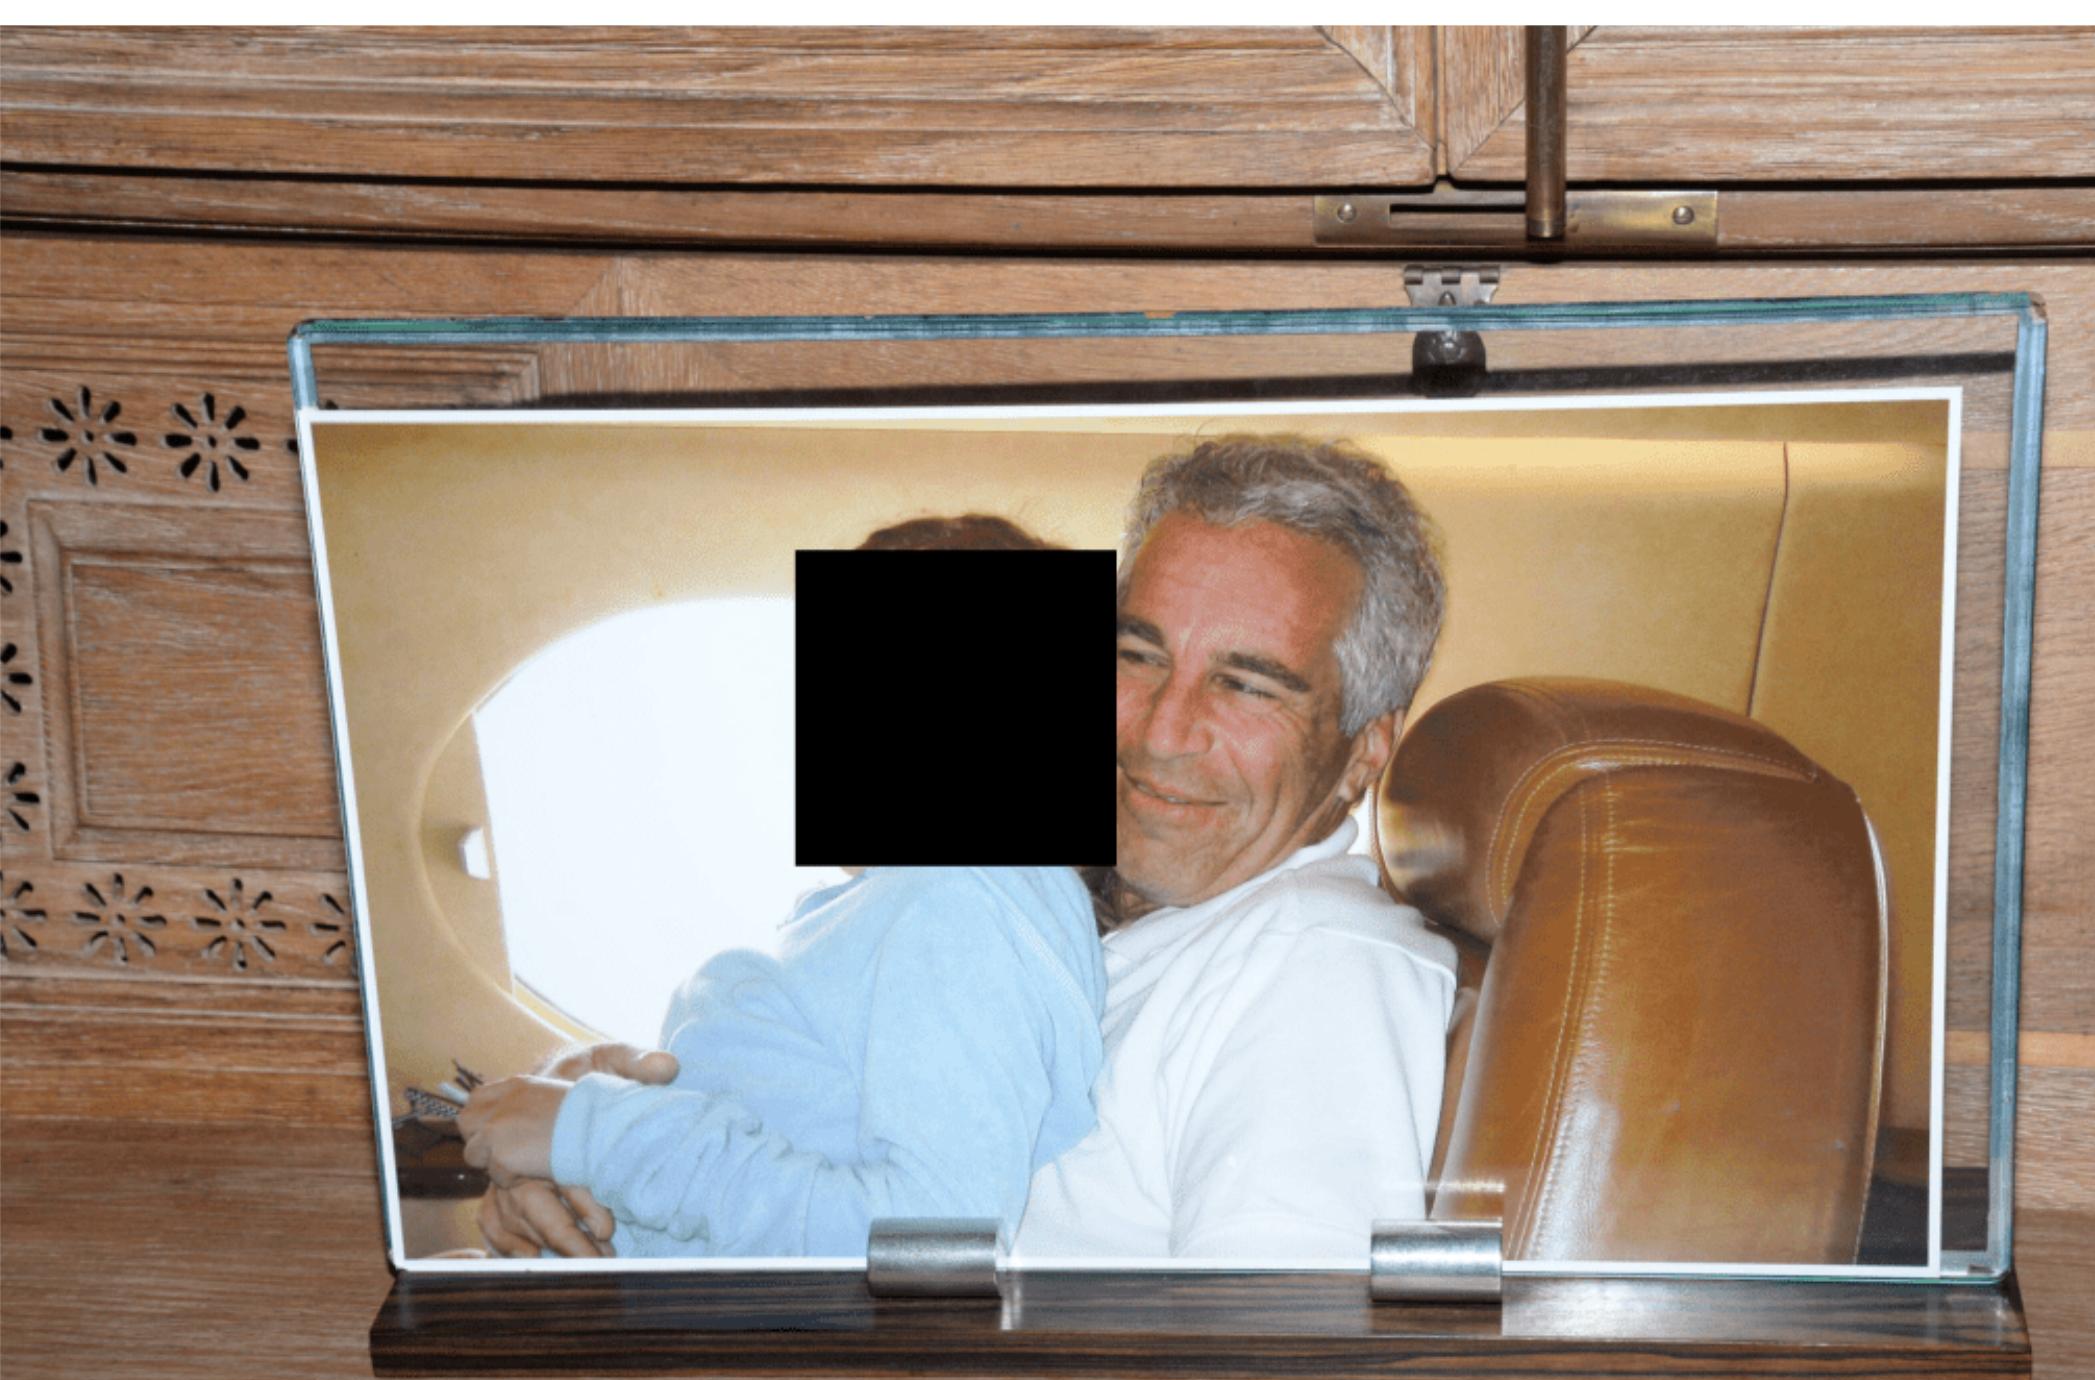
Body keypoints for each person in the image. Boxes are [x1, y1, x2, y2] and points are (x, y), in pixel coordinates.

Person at [462, 516, 1105, 1258]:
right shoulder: (915, 908)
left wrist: (597, 1134)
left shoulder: (958, 901)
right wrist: (576, 1134)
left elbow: (938, 1232)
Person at [1010, 434, 1456, 1262]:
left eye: (1245, 685)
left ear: (1364, 749)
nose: (1161, 732)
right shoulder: (1117, 928)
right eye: (1137, 654)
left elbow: (1273, 1343)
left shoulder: (1315, 966)